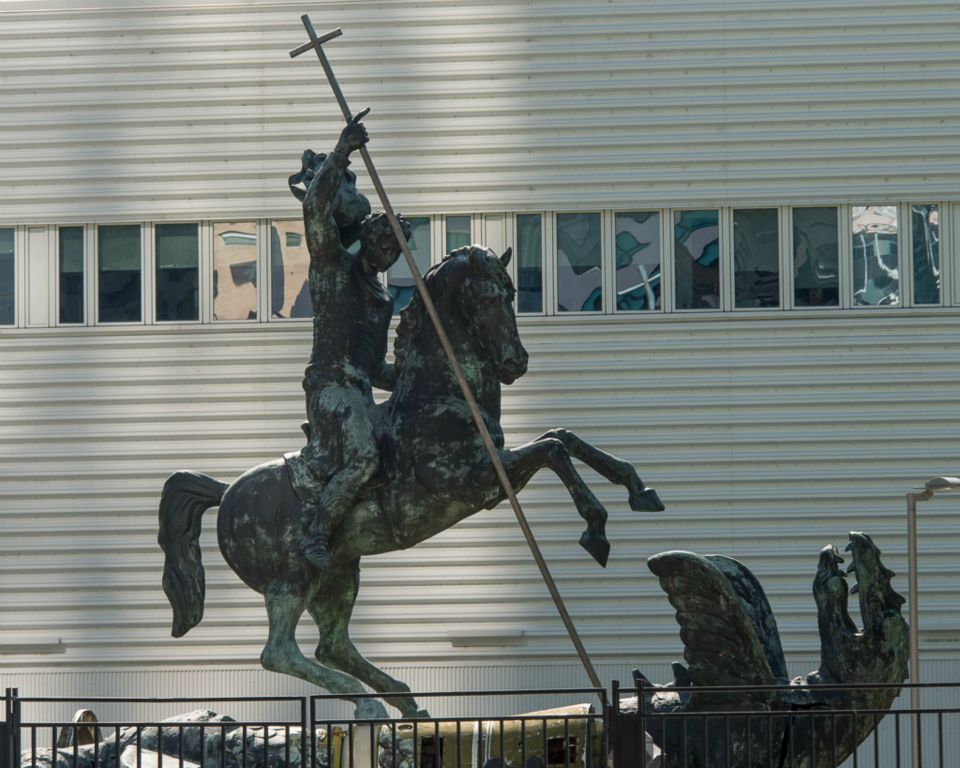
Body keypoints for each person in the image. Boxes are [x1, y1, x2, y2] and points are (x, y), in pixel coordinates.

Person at [290, 110, 411, 569]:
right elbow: (314, 209)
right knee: (364, 457)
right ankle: (315, 535)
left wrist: (417, 377)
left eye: (393, 252)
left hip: (359, 392)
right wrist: (342, 151)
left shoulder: (381, 301)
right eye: (382, 246)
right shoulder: (331, 264)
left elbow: (377, 368)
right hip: (330, 390)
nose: (386, 256)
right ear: (367, 237)